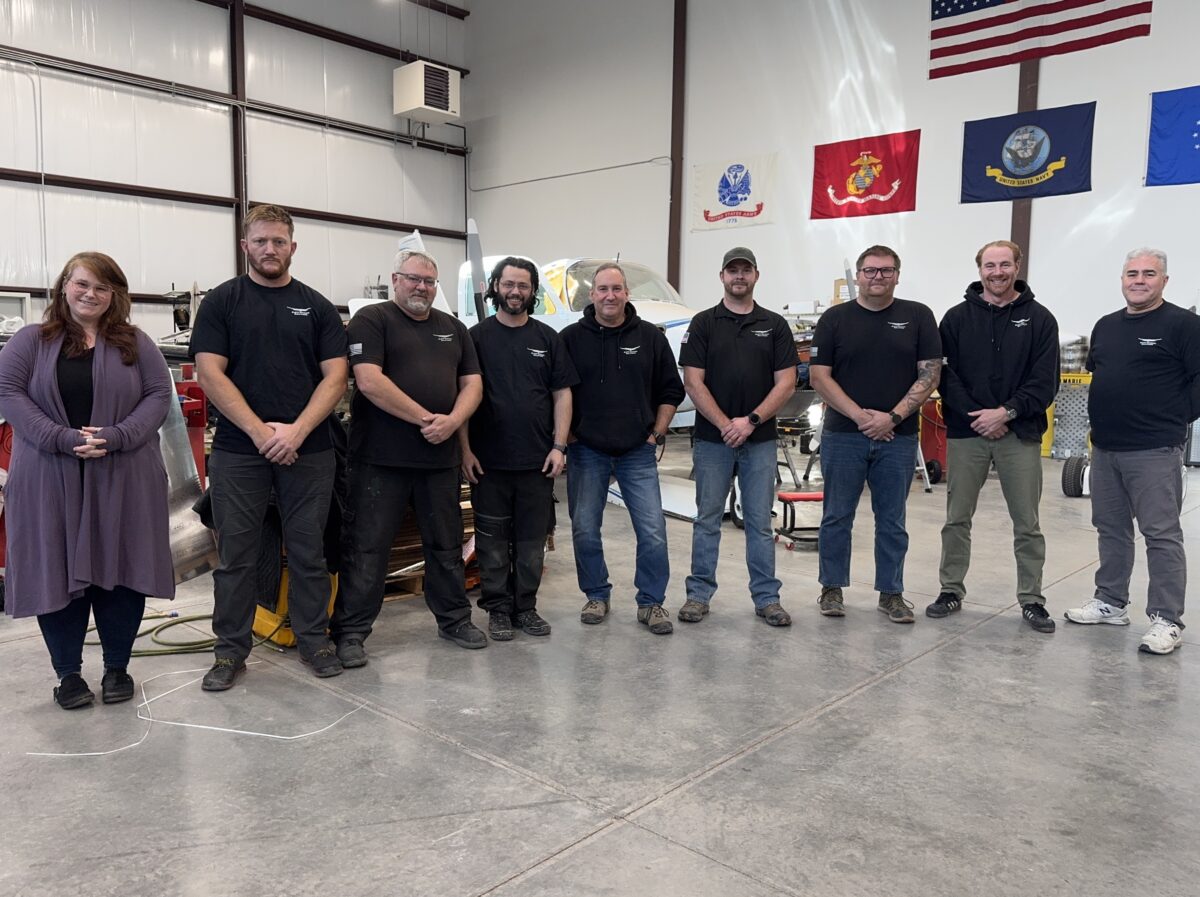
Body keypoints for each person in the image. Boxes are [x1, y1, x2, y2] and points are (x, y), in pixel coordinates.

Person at [0, 252, 175, 709]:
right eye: (81, 284)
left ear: (114, 295)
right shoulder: (30, 342)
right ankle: (68, 675)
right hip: (48, 474)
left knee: (121, 571)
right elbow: (9, 392)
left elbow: (159, 394)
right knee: (55, 569)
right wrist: (58, 437)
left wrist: (118, 437)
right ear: (64, 287)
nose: (89, 294)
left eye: (101, 287)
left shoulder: (136, 343)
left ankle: (117, 667)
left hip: (124, 471)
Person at [191, 205, 349, 689]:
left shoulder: (317, 306)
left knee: (308, 552)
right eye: (260, 241)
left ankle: (313, 640)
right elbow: (209, 372)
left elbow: (337, 376)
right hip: (242, 450)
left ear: (293, 247)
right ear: (245, 246)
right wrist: (262, 432)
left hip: (310, 450)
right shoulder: (222, 302)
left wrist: (296, 432)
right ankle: (229, 652)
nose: (270, 249)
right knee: (236, 556)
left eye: (279, 241)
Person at [330, 248, 485, 658]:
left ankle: (455, 620)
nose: (421, 287)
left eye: (429, 281)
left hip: (439, 462)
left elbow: (473, 384)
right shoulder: (372, 320)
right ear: (395, 280)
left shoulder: (454, 329)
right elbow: (367, 380)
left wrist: (452, 422)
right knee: (366, 547)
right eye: (413, 279)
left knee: (446, 545)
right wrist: (426, 420)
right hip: (380, 462)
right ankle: (350, 633)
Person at [1064, 248, 1200, 655]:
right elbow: (1102, 375)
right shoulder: (1106, 325)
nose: (1139, 280)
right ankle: (1110, 601)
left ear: (1164, 280)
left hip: (1155, 448)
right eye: (1132, 273)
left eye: (1149, 273)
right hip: (1106, 447)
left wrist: (1174, 417)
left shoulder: (1184, 324)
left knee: (1160, 534)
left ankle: (1167, 618)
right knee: (1111, 528)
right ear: (1122, 279)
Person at [926, 240, 1059, 633]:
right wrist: (979, 417)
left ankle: (1032, 600)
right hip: (968, 435)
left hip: (1020, 433)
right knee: (956, 519)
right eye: (989, 265)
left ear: (1017, 266)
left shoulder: (1039, 319)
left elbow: (1044, 380)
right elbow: (945, 377)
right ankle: (950, 590)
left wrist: (1007, 412)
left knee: (1027, 523)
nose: (997, 272)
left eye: (1004, 264)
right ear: (979, 269)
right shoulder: (954, 319)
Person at [808, 245, 941, 623]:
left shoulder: (918, 316)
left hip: (897, 439)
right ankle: (831, 589)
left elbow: (929, 374)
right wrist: (862, 417)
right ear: (859, 275)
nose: (877, 277)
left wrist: (892, 418)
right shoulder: (835, 319)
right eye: (870, 271)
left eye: (885, 271)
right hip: (842, 435)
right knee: (836, 516)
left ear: (897, 275)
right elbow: (820, 376)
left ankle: (892, 593)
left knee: (892, 520)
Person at [560, 263, 685, 635]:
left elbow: (670, 391)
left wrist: (657, 433)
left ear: (627, 293)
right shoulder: (570, 339)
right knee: (584, 528)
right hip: (587, 451)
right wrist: (567, 438)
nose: (609, 296)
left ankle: (650, 603)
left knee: (653, 530)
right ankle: (596, 594)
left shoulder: (650, 337)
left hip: (637, 451)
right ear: (592, 295)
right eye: (602, 289)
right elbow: (558, 392)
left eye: (616, 289)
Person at [678, 247, 798, 627]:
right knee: (707, 519)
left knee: (761, 522)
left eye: (746, 270)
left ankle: (767, 598)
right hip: (714, 442)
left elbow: (788, 382)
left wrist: (750, 421)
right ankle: (698, 595)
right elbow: (692, 381)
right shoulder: (703, 323)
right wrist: (725, 424)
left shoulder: (775, 325)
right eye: (733, 270)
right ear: (722, 277)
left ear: (756, 276)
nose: (739, 276)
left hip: (759, 440)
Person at [460, 257, 578, 640]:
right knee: (492, 544)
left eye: (523, 286)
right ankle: (497, 609)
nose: (515, 292)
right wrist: (464, 450)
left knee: (530, 544)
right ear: (495, 287)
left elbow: (562, 394)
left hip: (536, 464)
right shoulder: (475, 338)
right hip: (488, 463)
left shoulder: (548, 339)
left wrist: (559, 446)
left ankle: (525, 608)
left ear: (533, 292)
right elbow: (461, 397)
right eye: (508, 284)